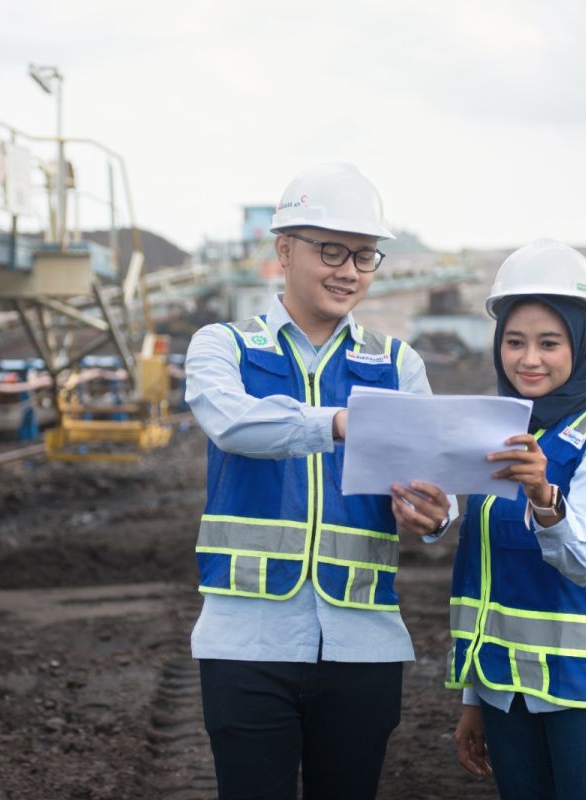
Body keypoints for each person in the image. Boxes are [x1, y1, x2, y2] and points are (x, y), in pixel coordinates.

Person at [184, 163, 456, 800]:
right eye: (330, 250)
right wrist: (335, 421)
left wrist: (436, 515)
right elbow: (233, 424)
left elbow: (441, 489)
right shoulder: (223, 346)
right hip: (245, 641)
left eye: (364, 255)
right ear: (283, 250)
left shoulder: (397, 365)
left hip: (363, 642)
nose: (348, 270)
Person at [445, 239, 586, 800]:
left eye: (550, 343)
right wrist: (476, 698)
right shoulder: (498, 430)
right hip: (505, 689)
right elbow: (488, 576)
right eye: (515, 342)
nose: (529, 359)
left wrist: (545, 495)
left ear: (581, 345)